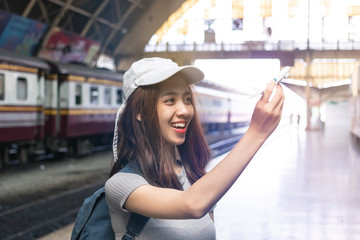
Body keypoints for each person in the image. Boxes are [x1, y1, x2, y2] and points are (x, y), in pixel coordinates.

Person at [105, 57, 285, 239]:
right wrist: (256, 133)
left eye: (187, 99)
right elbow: (192, 204)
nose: (185, 110)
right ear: (140, 112)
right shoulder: (122, 184)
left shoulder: (195, 176)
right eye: (169, 100)